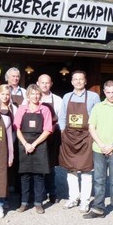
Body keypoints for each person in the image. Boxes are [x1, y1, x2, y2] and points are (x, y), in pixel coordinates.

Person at [83, 80, 113, 225]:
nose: (111, 95)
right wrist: (101, 144)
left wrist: (112, 145)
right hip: (99, 149)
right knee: (99, 180)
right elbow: (92, 127)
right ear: (104, 92)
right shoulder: (98, 107)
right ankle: (98, 209)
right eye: (108, 92)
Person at [58, 70, 101, 213]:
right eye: (75, 79)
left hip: (86, 137)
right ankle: (73, 198)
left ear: (85, 81)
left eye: (81, 79)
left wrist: (94, 135)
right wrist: (63, 131)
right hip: (69, 137)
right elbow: (62, 115)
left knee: (86, 170)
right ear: (71, 82)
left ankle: (85, 201)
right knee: (71, 170)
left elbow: (97, 118)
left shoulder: (94, 97)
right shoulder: (66, 97)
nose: (78, 81)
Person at [13, 84, 53, 214]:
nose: (35, 96)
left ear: (40, 95)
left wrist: (34, 144)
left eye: (37, 94)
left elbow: (48, 130)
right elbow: (16, 128)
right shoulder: (22, 109)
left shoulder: (45, 110)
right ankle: (24, 202)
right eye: (32, 94)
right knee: (24, 175)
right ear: (28, 96)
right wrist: (25, 144)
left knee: (38, 175)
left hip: (39, 144)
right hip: (23, 143)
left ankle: (38, 202)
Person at [37, 74, 63, 204]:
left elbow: (61, 119)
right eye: (42, 83)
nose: (45, 85)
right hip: (36, 135)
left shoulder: (58, 100)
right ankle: (40, 194)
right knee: (38, 166)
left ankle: (52, 192)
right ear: (38, 83)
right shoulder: (32, 98)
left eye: (47, 83)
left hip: (52, 136)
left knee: (51, 167)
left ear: (51, 84)